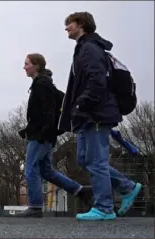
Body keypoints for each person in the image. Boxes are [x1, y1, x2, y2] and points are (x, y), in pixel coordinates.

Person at [59, 11, 142, 220]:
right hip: (88, 114)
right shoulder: (84, 48)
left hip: (96, 113)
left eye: (69, 24)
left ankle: (104, 207)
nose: (66, 28)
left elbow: (97, 81)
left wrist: (81, 103)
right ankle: (127, 186)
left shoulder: (90, 48)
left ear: (81, 24)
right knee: (85, 159)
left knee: (96, 160)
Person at [16, 53, 93, 218]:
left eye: (27, 63)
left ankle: (35, 207)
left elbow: (48, 112)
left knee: (30, 170)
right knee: (47, 171)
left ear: (36, 66)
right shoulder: (45, 83)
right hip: (45, 135)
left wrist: (44, 131)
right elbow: (60, 103)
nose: (24, 67)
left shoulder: (41, 85)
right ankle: (80, 190)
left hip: (41, 137)